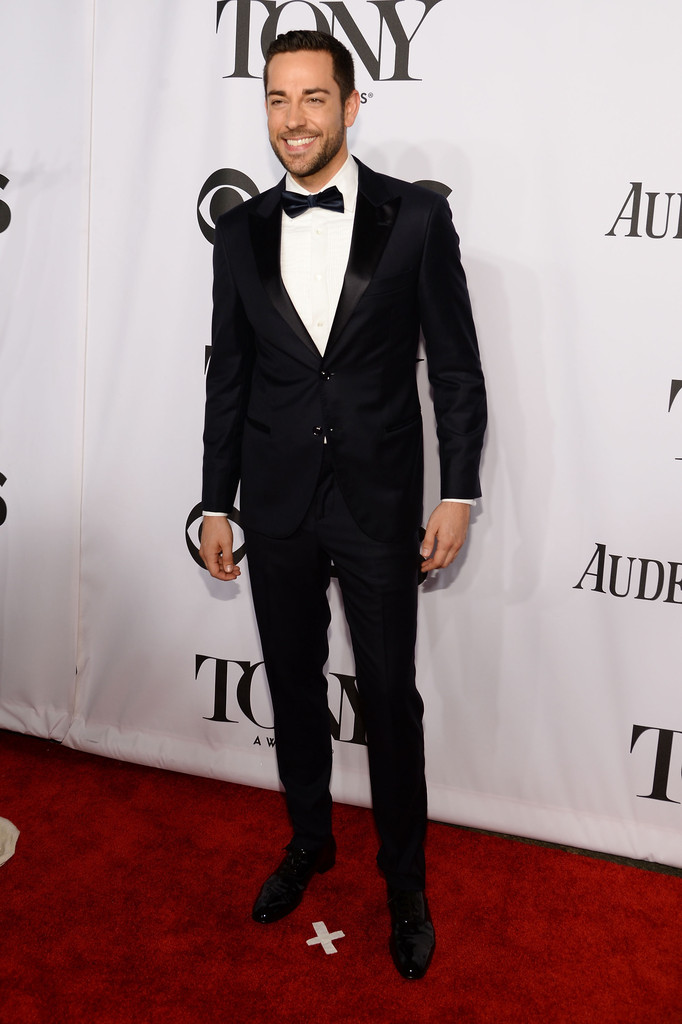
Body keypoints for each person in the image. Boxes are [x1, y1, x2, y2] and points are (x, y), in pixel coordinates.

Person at [200, 29, 486, 980]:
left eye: (313, 99)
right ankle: (310, 842)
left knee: (391, 700)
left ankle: (404, 879)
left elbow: (453, 366)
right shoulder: (239, 232)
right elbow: (229, 379)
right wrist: (213, 502)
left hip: (377, 501)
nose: (293, 120)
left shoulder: (414, 219)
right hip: (276, 501)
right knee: (291, 685)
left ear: (352, 105)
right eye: (278, 99)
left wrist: (459, 490)